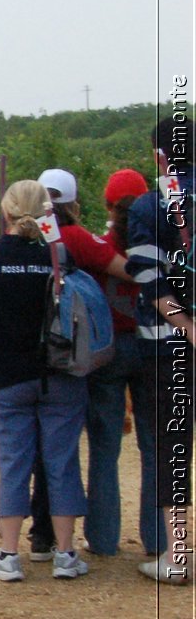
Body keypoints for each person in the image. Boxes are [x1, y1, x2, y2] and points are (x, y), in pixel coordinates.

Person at [0, 181, 91, 581]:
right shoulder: (59, 256)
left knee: (14, 464)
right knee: (61, 462)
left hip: (6, 375)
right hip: (58, 371)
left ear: (5, 213)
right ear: (47, 214)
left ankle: (8, 554)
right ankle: (66, 553)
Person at [23, 168, 139, 557]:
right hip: (91, 350)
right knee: (134, 448)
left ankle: (50, 534)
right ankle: (147, 538)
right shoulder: (77, 238)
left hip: (37, 355)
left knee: (57, 448)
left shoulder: (23, 238)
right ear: (73, 203)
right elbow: (127, 270)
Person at [129, 115, 195, 583]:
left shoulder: (149, 206)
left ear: (158, 155)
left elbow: (149, 280)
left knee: (175, 449)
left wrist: (187, 326)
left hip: (169, 345)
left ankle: (177, 556)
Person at [100, 167, 163, 555]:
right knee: (155, 447)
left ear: (107, 205)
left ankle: (104, 538)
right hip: (154, 345)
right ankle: (157, 538)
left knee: (105, 447)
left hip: (109, 351)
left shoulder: (100, 246)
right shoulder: (157, 244)